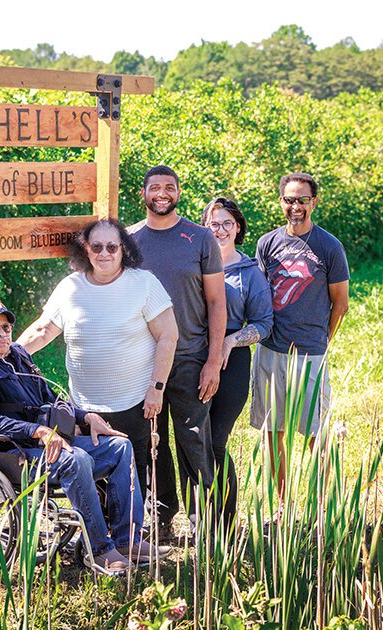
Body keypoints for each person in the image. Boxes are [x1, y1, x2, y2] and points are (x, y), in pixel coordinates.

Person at [0, 299, 168, 572]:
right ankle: (100, 550)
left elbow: (52, 399)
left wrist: (85, 417)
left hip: (46, 444)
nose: (2, 334)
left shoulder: (17, 355)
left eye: (6, 327)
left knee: (119, 447)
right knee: (76, 459)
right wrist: (38, 430)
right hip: (8, 453)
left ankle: (128, 540)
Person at [17, 218, 178, 502]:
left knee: (137, 473)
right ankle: (102, 538)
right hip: (84, 406)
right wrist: (3, 355)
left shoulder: (143, 283)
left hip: (135, 402)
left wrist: (157, 387)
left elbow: (168, 335)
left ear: (123, 249)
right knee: (93, 473)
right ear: (85, 250)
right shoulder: (70, 287)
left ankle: (143, 532)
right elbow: (43, 330)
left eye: (112, 247)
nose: (104, 253)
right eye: (97, 246)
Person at [129, 165, 227, 537]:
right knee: (151, 442)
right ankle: (162, 515)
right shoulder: (129, 240)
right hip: (143, 361)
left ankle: (205, 519)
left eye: (169, 187)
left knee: (193, 438)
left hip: (190, 356)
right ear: (144, 193)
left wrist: (213, 360)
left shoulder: (199, 238)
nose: (162, 194)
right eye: (155, 187)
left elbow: (217, 302)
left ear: (178, 192)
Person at [251, 172, 350, 502]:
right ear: (281, 202)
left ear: (314, 202)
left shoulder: (329, 246)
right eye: (290, 200)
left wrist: (322, 341)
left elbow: (340, 304)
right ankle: (283, 505)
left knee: (314, 434)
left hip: (309, 353)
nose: (296, 206)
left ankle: (322, 506)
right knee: (272, 433)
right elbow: (260, 296)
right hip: (270, 350)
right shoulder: (267, 244)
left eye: (303, 200)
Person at [200, 197, 273, 525]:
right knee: (193, 439)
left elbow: (264, 324)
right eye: (214, 223)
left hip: (232, 362)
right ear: (205, 227)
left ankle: (224, 520)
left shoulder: (249, 273)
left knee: (215, 441)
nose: (220, 230)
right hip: (192, 356)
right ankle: (198, 514)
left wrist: (231, 340)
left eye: (227, 223)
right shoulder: (196, 265)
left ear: (238, 227)